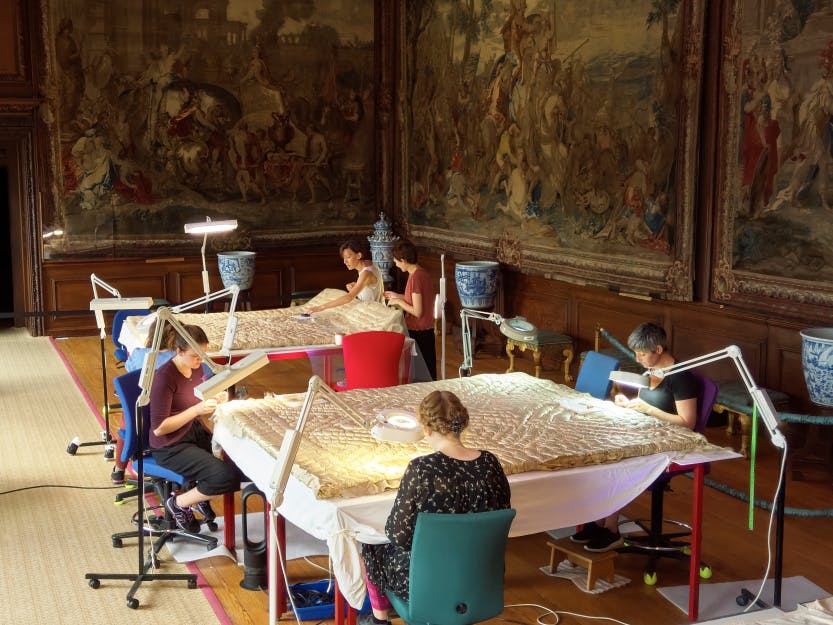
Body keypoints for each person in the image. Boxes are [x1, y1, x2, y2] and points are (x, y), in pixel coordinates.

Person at [360, 390, 511, 625]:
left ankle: (379, 620)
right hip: (480, 576)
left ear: (427, 428)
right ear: (463, 423)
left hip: (427, 583)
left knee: (370, 543)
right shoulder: (491, 463)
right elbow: (499, 517)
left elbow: (398, 536)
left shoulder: (422, 469)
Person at [570, 321, 699, 552]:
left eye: (641, 354)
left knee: (618, 461)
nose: (638, 359)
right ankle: (597, 520)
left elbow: (688, 423)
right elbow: (646, 403)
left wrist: (649, 410)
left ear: (658, 350)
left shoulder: (681, 378)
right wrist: (629, 403)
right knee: (596, 449)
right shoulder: (650, 370)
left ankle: (611, 528)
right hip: (644, 430)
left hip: (669, 441)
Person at [149, 324, 244, 533]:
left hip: (192, 432)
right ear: (179, 352)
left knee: (240, 460)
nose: (200, 360)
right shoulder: (164, 378)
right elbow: (159, 429)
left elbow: (197, 396)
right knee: (225, 476)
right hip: (170, 446)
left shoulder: (196, 367)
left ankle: (197, 493)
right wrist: (196, 409)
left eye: (203, 355)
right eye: (195, 356)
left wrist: (215, 397)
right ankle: (178, 504)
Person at [110, 317, 177, 485]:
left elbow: (129, 376)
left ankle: (119, 469)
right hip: (169, 415)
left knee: (126, 422)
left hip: (139, 416)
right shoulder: (179, 357)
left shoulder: (140, 354)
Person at [384, 239, 437, 380]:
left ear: (403, 260)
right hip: (426, 330)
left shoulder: (415, 278)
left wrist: (399, 302)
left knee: (421, 375)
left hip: (419, 331)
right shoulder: (421, 273)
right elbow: (417, 299)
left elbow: (417, 312)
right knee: (428, 371)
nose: (395, 264)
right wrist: (398, 296)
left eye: (396, 261)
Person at [308, 240, 383, 312]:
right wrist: (356, 285)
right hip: (370, 308)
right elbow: (371, 286)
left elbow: (349, 298)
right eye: (344, 258)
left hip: (373, 312)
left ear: (359, 255)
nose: (345, 262)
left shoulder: (366, 273)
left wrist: (320, 307)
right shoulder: (367, 263)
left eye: (348, 257)